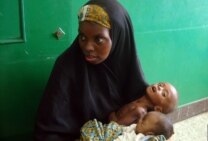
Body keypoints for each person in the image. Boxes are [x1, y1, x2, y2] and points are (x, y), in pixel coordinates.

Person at [34, 0, 148, 141]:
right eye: (82, 37)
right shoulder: (66, 67)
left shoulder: (127, 65)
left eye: (98, 39)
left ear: (118, 36)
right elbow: (48, 132)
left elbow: (149, 120)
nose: (87, 47)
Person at [109, 82, 178, 126]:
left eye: (163, 94)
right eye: (161, 84)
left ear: (157, 108)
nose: (160, 87)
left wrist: (109, 113)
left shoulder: (139, 111)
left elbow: (116, 127)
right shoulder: (137, 94)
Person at [80, 111, 174, 141]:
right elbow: (120, 128)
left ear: (149, 133)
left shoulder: (138, 137)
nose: (140, 119)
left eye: (143, 121)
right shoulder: (137, 128)